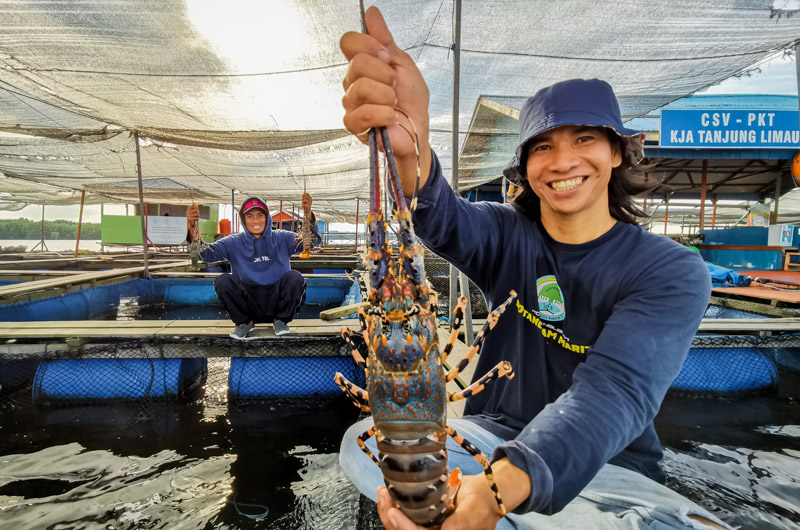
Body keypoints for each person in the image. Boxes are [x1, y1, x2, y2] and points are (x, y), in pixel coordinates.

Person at [338, 7, 726, 530]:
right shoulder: (506, 234)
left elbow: (613, 393)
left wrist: (496, 493)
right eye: (544, 146)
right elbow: (444, 217)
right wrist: (412, 147)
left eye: (585, 139)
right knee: (359, 446)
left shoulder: (672, 270)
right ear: (526, 167)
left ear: (617, 152)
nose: (563, 161)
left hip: (609, 464)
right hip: (490, 434)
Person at [186, 193, 320, 339]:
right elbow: (205, 254)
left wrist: (309, 216)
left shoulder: (283, 238)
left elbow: (312, 242)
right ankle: (244, 323)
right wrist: (192, 227)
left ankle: (281, 320)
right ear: (243, 220)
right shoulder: (233, 242)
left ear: (267, 217)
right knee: (222, 280)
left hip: (277, 301)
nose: (255, 220)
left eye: (260, 215)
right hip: (248, 302)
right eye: (249, 216)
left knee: (295, 277)